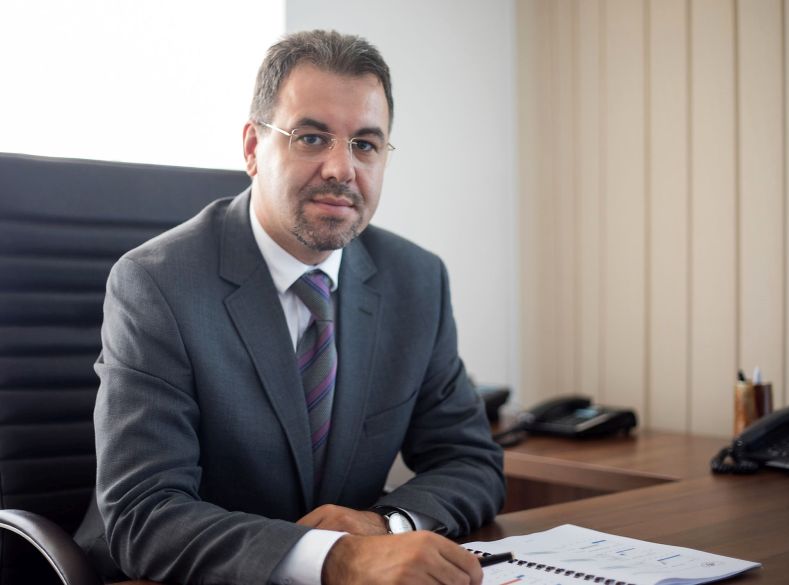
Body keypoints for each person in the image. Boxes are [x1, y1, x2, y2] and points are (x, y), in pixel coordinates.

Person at [75, 29, 505, 585]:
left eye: (365, 144)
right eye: (311, 137)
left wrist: (383, 525)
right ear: (253, 148)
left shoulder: (416, 280)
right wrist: (333, 557)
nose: (341, 168)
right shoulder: (156, 284)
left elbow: (470, 461)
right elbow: (145, 513)